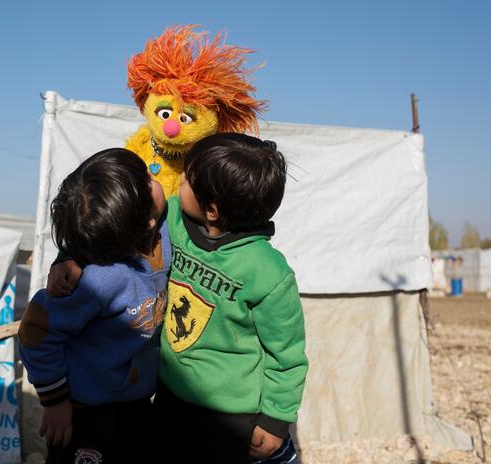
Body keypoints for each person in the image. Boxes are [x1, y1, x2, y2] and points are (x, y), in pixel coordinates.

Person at [49, 133, 308, 463]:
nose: (178, 180)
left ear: (212, 210)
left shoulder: (269, 273)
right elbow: (110, 223)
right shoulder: (171, 220)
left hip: (231, 418)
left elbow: (287, 355)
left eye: (187, 180)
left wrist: (275, 421)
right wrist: (67, 257)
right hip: (169, 397)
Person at [18, 148, 169, 464]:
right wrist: (54, 401)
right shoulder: (98, 280)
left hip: (137, 404)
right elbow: (36, 331)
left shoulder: (162, 233)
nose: (156, 179)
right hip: (85, 416)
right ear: (148, 223)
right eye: (147, 179)